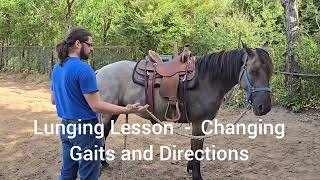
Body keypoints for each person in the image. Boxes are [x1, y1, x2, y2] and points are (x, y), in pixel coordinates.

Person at [51, 27, 148, 180]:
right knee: (89, 175)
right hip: (86, 131)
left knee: (67, 173)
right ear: (78, 44)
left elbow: (54, 100)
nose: (91, 48)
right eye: (89, 44)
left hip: (66, 127)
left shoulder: (57, 68)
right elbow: (96, 105)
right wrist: (126, 109)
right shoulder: (84, 69)